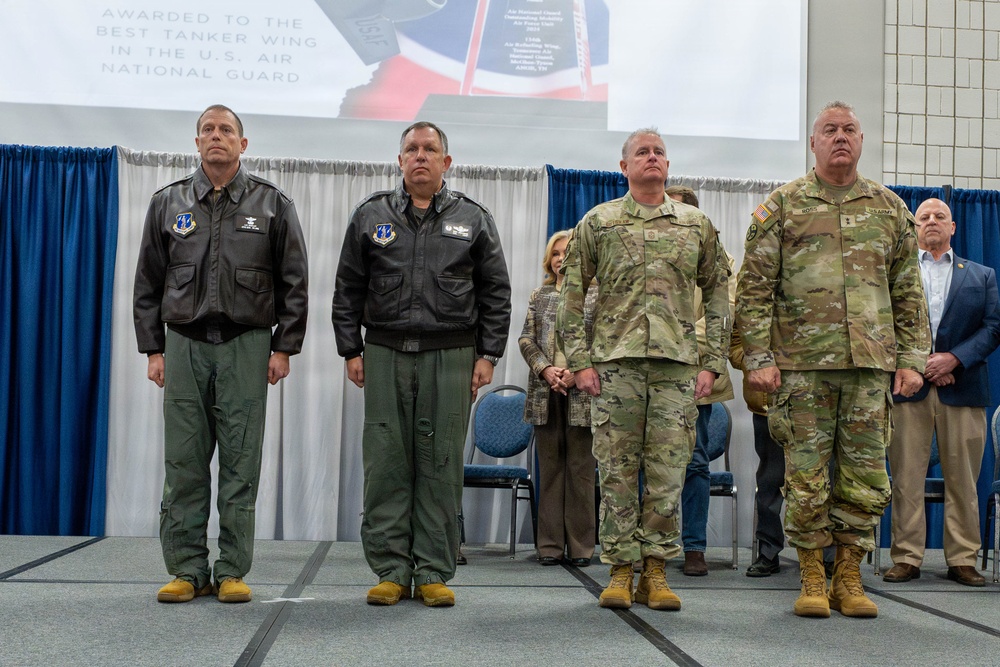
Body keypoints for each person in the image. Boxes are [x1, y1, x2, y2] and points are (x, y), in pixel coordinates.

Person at [736, 101, 929, 619]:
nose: (840, 137)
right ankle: (812, 576)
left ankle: (849, 573)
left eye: (849, 130)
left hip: (869, 368)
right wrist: (757, 356)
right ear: (814, 143)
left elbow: (908, 293)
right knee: (805, 476)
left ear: (861, 142)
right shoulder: (783, 206)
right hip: (802, 367)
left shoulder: (889, 209)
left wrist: (911, 360)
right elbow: (754, 289)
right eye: (829, 130)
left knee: (864, 477)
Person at [133, 104, 309, 604]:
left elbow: (295, 282)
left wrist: (284, 347)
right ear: (196, 142)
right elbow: (147, 282)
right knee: (184, 465)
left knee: (240, 463)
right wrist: (153, 348)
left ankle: (231, 569)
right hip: (183, 345)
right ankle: (187, 570)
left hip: (247, 348)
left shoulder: (273, 204)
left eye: (226, 130)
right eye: (208, 130)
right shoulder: (168, 203)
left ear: (242, 144)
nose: (217, 137)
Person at [332, 121, 512, 608]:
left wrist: (488, 354)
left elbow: (496, 291)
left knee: (440, 463)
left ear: (446, 162)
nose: (420, 156)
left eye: (430, 149)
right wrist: (351, 348)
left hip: (451, 356)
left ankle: (433, 570)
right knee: (387, 462)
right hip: (386, 351)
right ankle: (391, 570)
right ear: (399, 159)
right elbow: (348, 286)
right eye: (411, 149)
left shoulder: (473, 219)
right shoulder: (372, 215)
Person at [558, 128, 731, 611]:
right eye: (642, 152)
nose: (652, 158)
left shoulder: (696, 225)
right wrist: (579, 362)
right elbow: (571, 293)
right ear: (624, 166)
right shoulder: (599, 221)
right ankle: (618, 569)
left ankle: (655, 570)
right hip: (614, 367)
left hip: (678, 367)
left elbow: (718, 291)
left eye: (658, 152)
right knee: (615, 469)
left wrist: (712, 362)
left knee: (669, 472)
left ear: (668, 165)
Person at [884, 198, 1000, 588]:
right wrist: (922, 364)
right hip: (907, 388)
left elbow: (993, 328)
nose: (932, 221)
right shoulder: (895, 275)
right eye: (924, 217)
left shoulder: (982, 275)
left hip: (963, 389)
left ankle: (963, 559)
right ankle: (906, 557)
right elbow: (884, 325)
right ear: (914, 228)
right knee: (906, 477)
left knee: (964, 479)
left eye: (940, 217)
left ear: (953, 227)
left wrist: (953, 359)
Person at [665, 186, 736, 577]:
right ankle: (647, 546)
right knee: (645, 462)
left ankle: (693, 545)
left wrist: (686, 356)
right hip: (652, 372)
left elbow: (720, 315)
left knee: (694, 463)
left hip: (696, 375)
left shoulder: (718, 256)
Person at [519, 230, 596, 567]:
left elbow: (605, 343)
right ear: (549, 260)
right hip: (545, 392)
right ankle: (549, 546)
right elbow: (526, 339)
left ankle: (581, 547)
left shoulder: (596, 295)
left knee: (581, 471)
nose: (562, 258)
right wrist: (546, 369)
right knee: (549, 470)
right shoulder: (540, 295)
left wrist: (574, 370)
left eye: (568, 252)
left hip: (583, 392)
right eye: (556, 253)